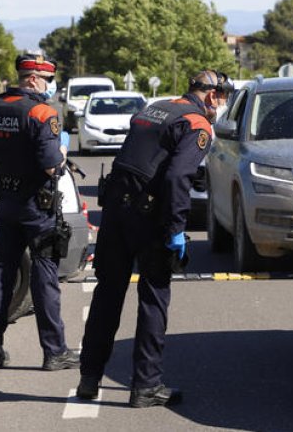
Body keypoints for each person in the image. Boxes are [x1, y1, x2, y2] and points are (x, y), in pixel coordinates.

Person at [76, 70, 232, 408]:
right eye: (222, 98)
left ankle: (89, 378)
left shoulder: (154, 108)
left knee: (108, 292)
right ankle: (145, 386)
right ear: (210, 95)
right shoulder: (197, 124)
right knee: (153, 297)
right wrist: (176, 229)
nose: (221, 105)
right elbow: (177, 177)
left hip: (116, 211)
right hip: (148, 217)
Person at [0, 54, 79, 371]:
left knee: (2, 273)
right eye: (47, 80)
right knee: (44, 275)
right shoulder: (43, 112)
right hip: (38, 206)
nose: (49, 86)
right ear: (34, 79)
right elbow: (50, 165)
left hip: (6, 202)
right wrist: (61, 150)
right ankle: (54, 351)